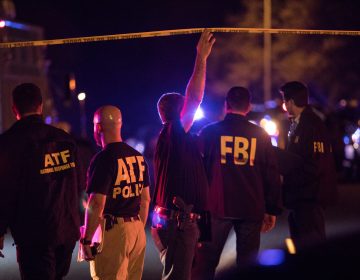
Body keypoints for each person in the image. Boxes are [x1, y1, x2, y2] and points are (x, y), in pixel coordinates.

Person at [192, 86, 283, 279]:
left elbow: (197, 170)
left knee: (205, 264)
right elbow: (271, 174)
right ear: (248, 107)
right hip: (250, 207)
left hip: (216, 208)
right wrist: (272, 208)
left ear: (226, 105)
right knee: (248, 266)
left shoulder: (208, 132)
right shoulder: (261, 135)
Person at [150, 30, 215, 280]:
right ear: (180, 115)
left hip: (180, 220)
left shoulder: (174, 139)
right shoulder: (172, 133)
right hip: (178, 222)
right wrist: (201, 56)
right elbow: (196, 97)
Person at [0, 83, 82, 279]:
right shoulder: (65, 139)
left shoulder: (8, 143)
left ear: (14, 109)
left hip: (34, 235)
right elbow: (77, 183)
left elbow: (4, 190)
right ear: (41, 105)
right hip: (66, 232)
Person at [80, 105, 151, 280]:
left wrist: (87, 239)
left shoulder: (103, 159)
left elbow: (97, 203)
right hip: (137, 229)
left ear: (98, 128)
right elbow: (146, 199)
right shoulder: (137, 157)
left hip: (113, 232)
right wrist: (137, 229)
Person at [279, 81, 337, 251]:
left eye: (284, 100)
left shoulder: (312, 125)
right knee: (301, 248)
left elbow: (315, 164)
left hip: (309, 198)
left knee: (313, 249)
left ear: (290, 102)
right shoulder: (299, 123)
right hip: (300, 198)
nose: (284, 105)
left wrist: (289, 172)